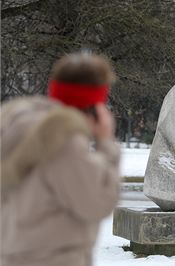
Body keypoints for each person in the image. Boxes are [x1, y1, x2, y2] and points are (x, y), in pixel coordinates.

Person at [1, 52, 120, 266]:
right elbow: (97, 203)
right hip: (54, 258)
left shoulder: (16, 127)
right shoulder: (63, 143)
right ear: (94, 105)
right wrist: (106, 144)